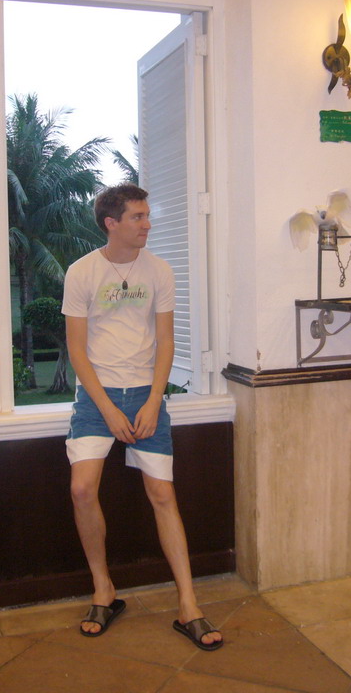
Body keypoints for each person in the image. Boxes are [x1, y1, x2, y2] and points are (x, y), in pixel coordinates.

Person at [61, 183, 223, 651]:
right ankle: (104, 591)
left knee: (162, 494)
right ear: (111, 223)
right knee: (81, 488)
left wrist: (155, 400)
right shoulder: (82, 272)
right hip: (97, 400)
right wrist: (108, 409)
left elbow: (166, 341)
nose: (147, 224)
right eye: (138, 217)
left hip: (147, 396)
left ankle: (188, 604)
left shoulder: (160, 271)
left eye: (147, 215)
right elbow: (75, 349)